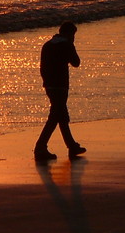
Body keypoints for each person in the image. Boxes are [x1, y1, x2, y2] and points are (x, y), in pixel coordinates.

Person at [34, 22, 87, 162]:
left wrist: (46, 82)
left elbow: (42, 67)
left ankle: (71, 145)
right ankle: (40, 147)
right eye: (73, 35)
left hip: (49, 85)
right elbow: (76, 62)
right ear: (70, 34)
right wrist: (71, 45)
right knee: (56, 116)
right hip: (61, 85)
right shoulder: (66, 45)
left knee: (61, 115)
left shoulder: (47, 45)